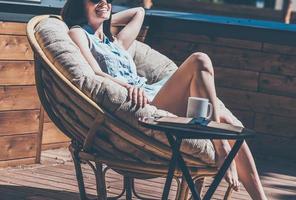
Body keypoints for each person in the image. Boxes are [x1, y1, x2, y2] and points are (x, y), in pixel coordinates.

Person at [61, 0, 267, 199]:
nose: (104, 2)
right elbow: (95, 72)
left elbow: (139, 12)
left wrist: (106, 19)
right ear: (79, 3)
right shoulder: (79, 32)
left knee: (227, 122)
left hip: (153, 92)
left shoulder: (117, 42)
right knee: (199, 59)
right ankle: (221, 147)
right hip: (145, 104)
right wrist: (127, 86)